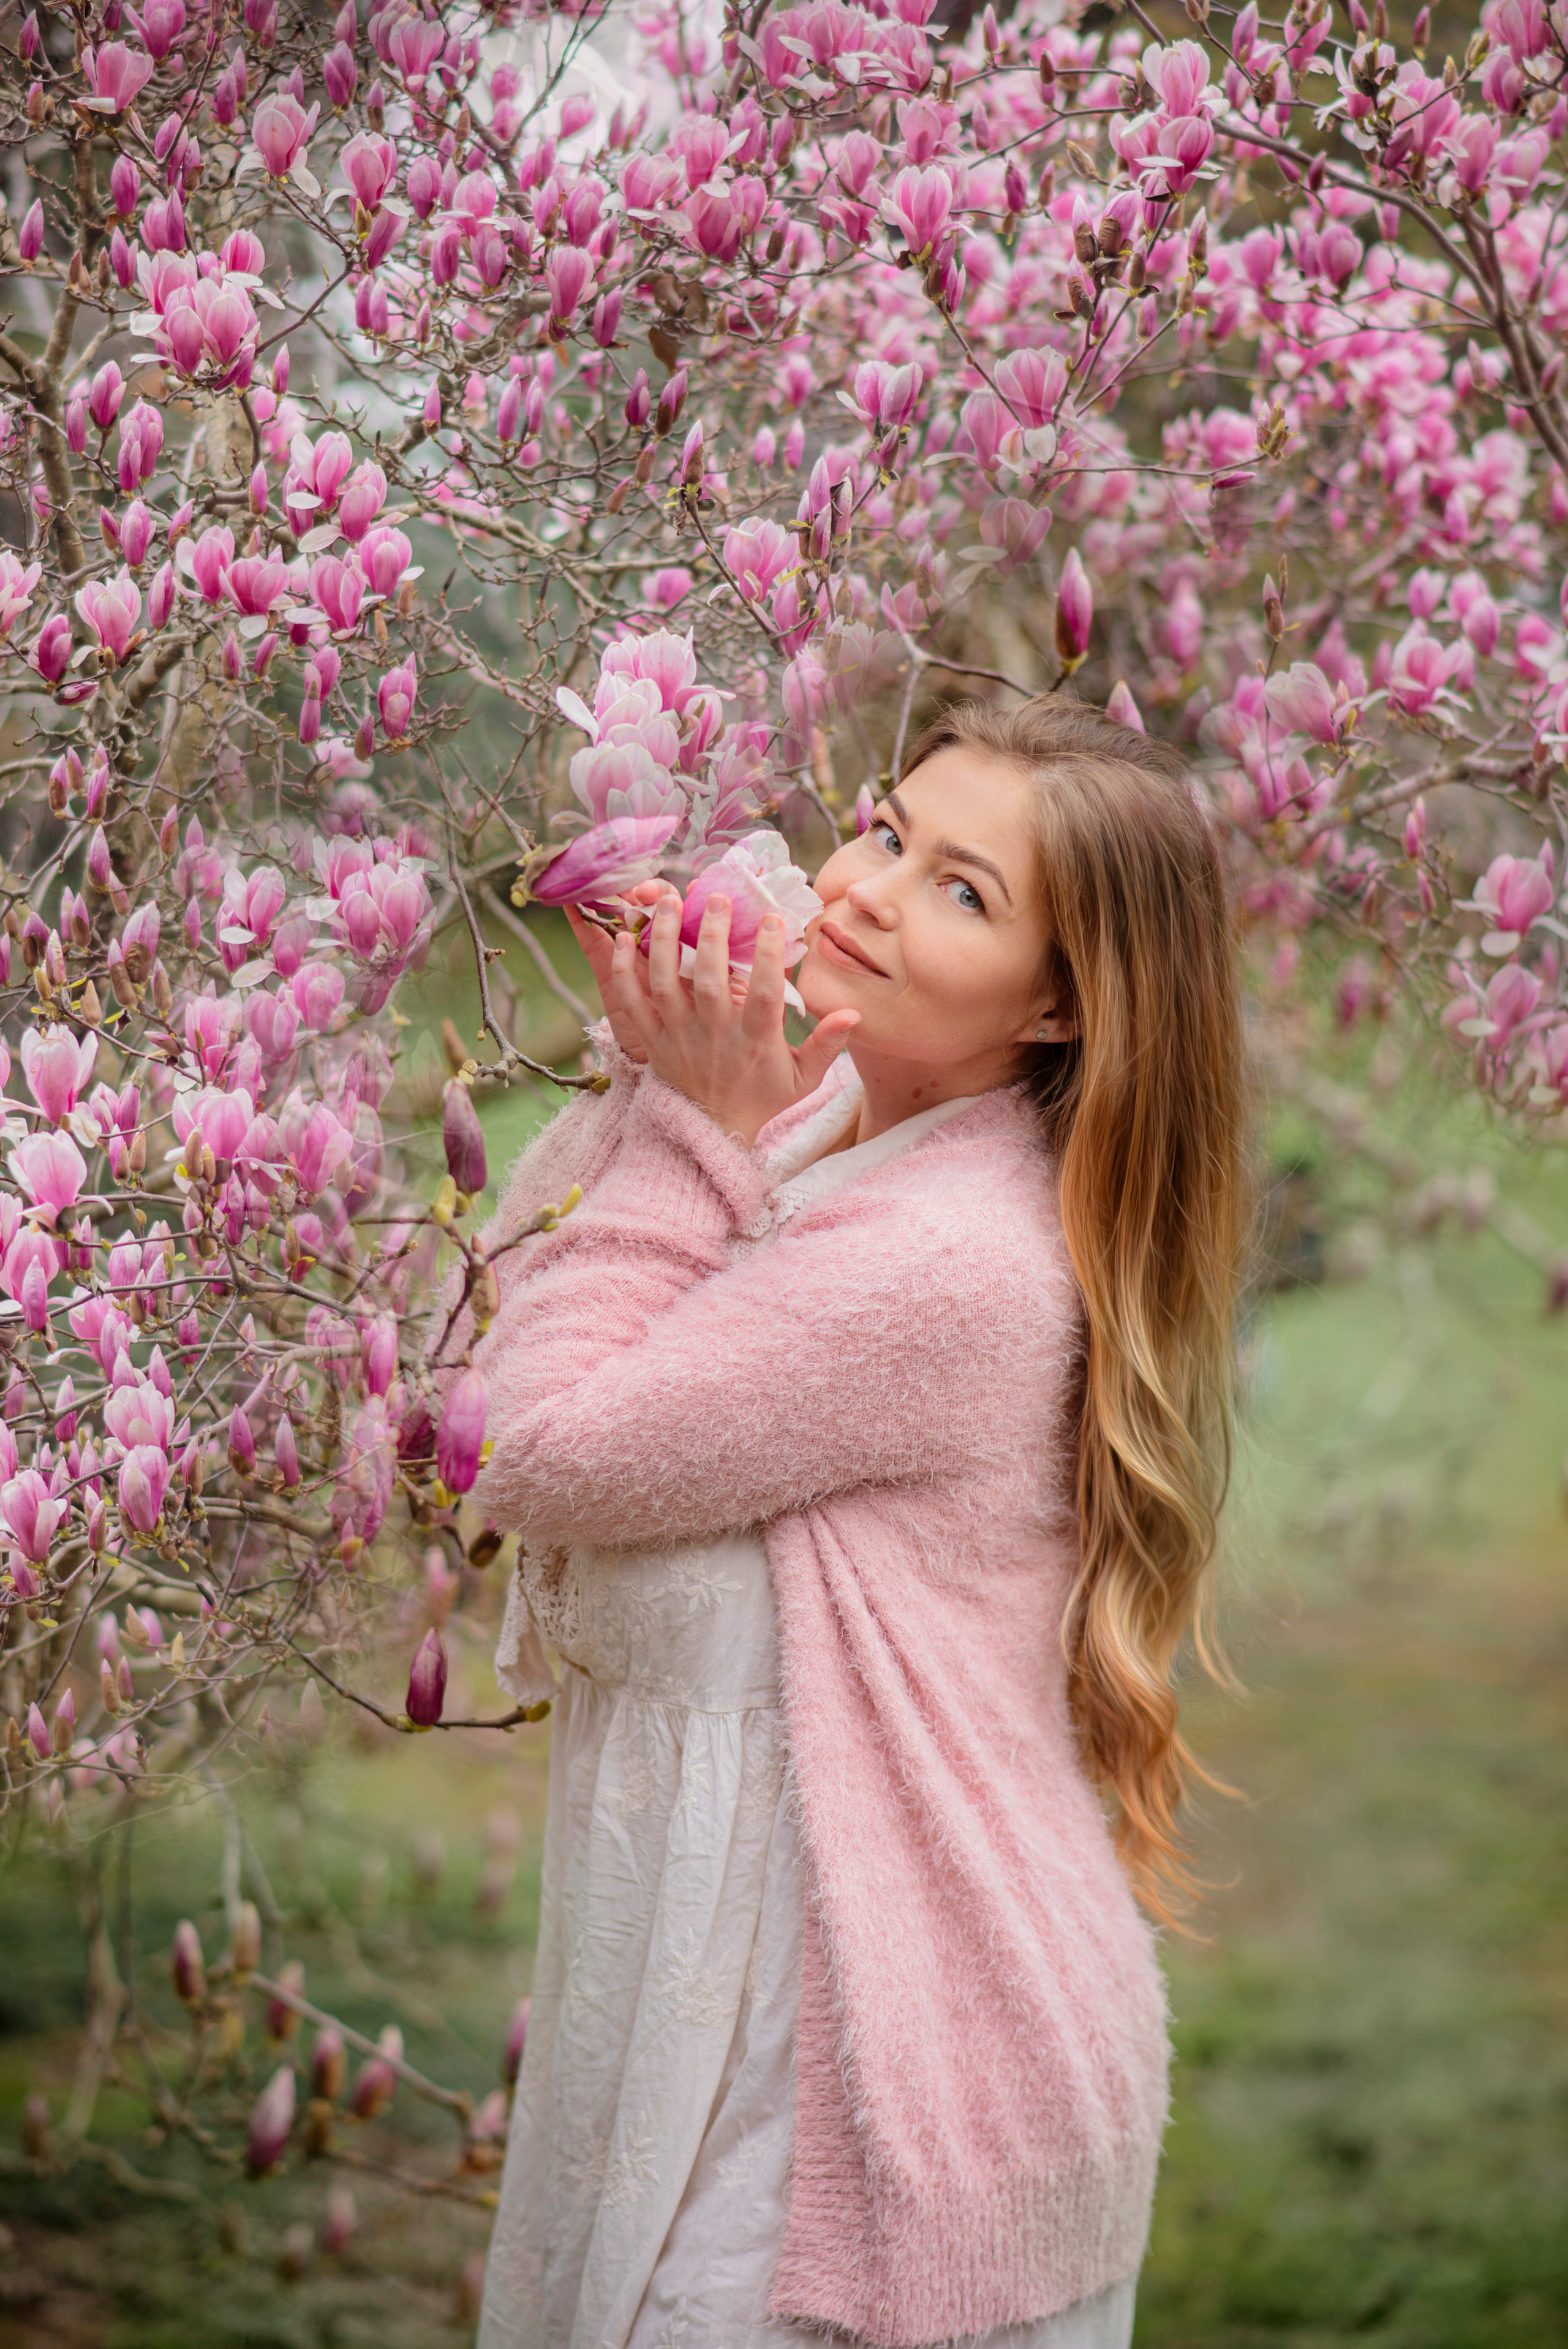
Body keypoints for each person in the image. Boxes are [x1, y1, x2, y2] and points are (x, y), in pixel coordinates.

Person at [466, 697, 1246, 2349]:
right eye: (888, 831)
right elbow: (505, 1329)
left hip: (893, 2076)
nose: (866, 890)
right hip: (731, 2017)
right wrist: (676, 1086)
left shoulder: (950, 1259)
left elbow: (535, 1447)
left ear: (1057, 1003)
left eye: (963, 890)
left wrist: (688, 1120)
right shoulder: (829, 1130)